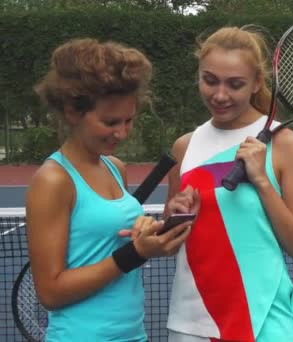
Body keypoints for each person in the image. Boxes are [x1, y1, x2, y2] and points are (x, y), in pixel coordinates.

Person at [26, 38, 192, 341]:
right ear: (72, 112)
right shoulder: (53, 181)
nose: (122, 132)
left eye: (129, 120)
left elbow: (114, 244)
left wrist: (151, 235)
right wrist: (136, 253)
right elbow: (49, 292)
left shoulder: (116, 167)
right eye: (110, 121)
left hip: (132, 334)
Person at [164, 26, 293, 342]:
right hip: (193, 323)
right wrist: (172, 217)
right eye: (210, 80)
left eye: (235, 84)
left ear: (257, 83)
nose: (220, 95)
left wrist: (261, 181)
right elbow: (170, 243)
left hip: (265, 323)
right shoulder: (184, 147)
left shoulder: (285, 144)